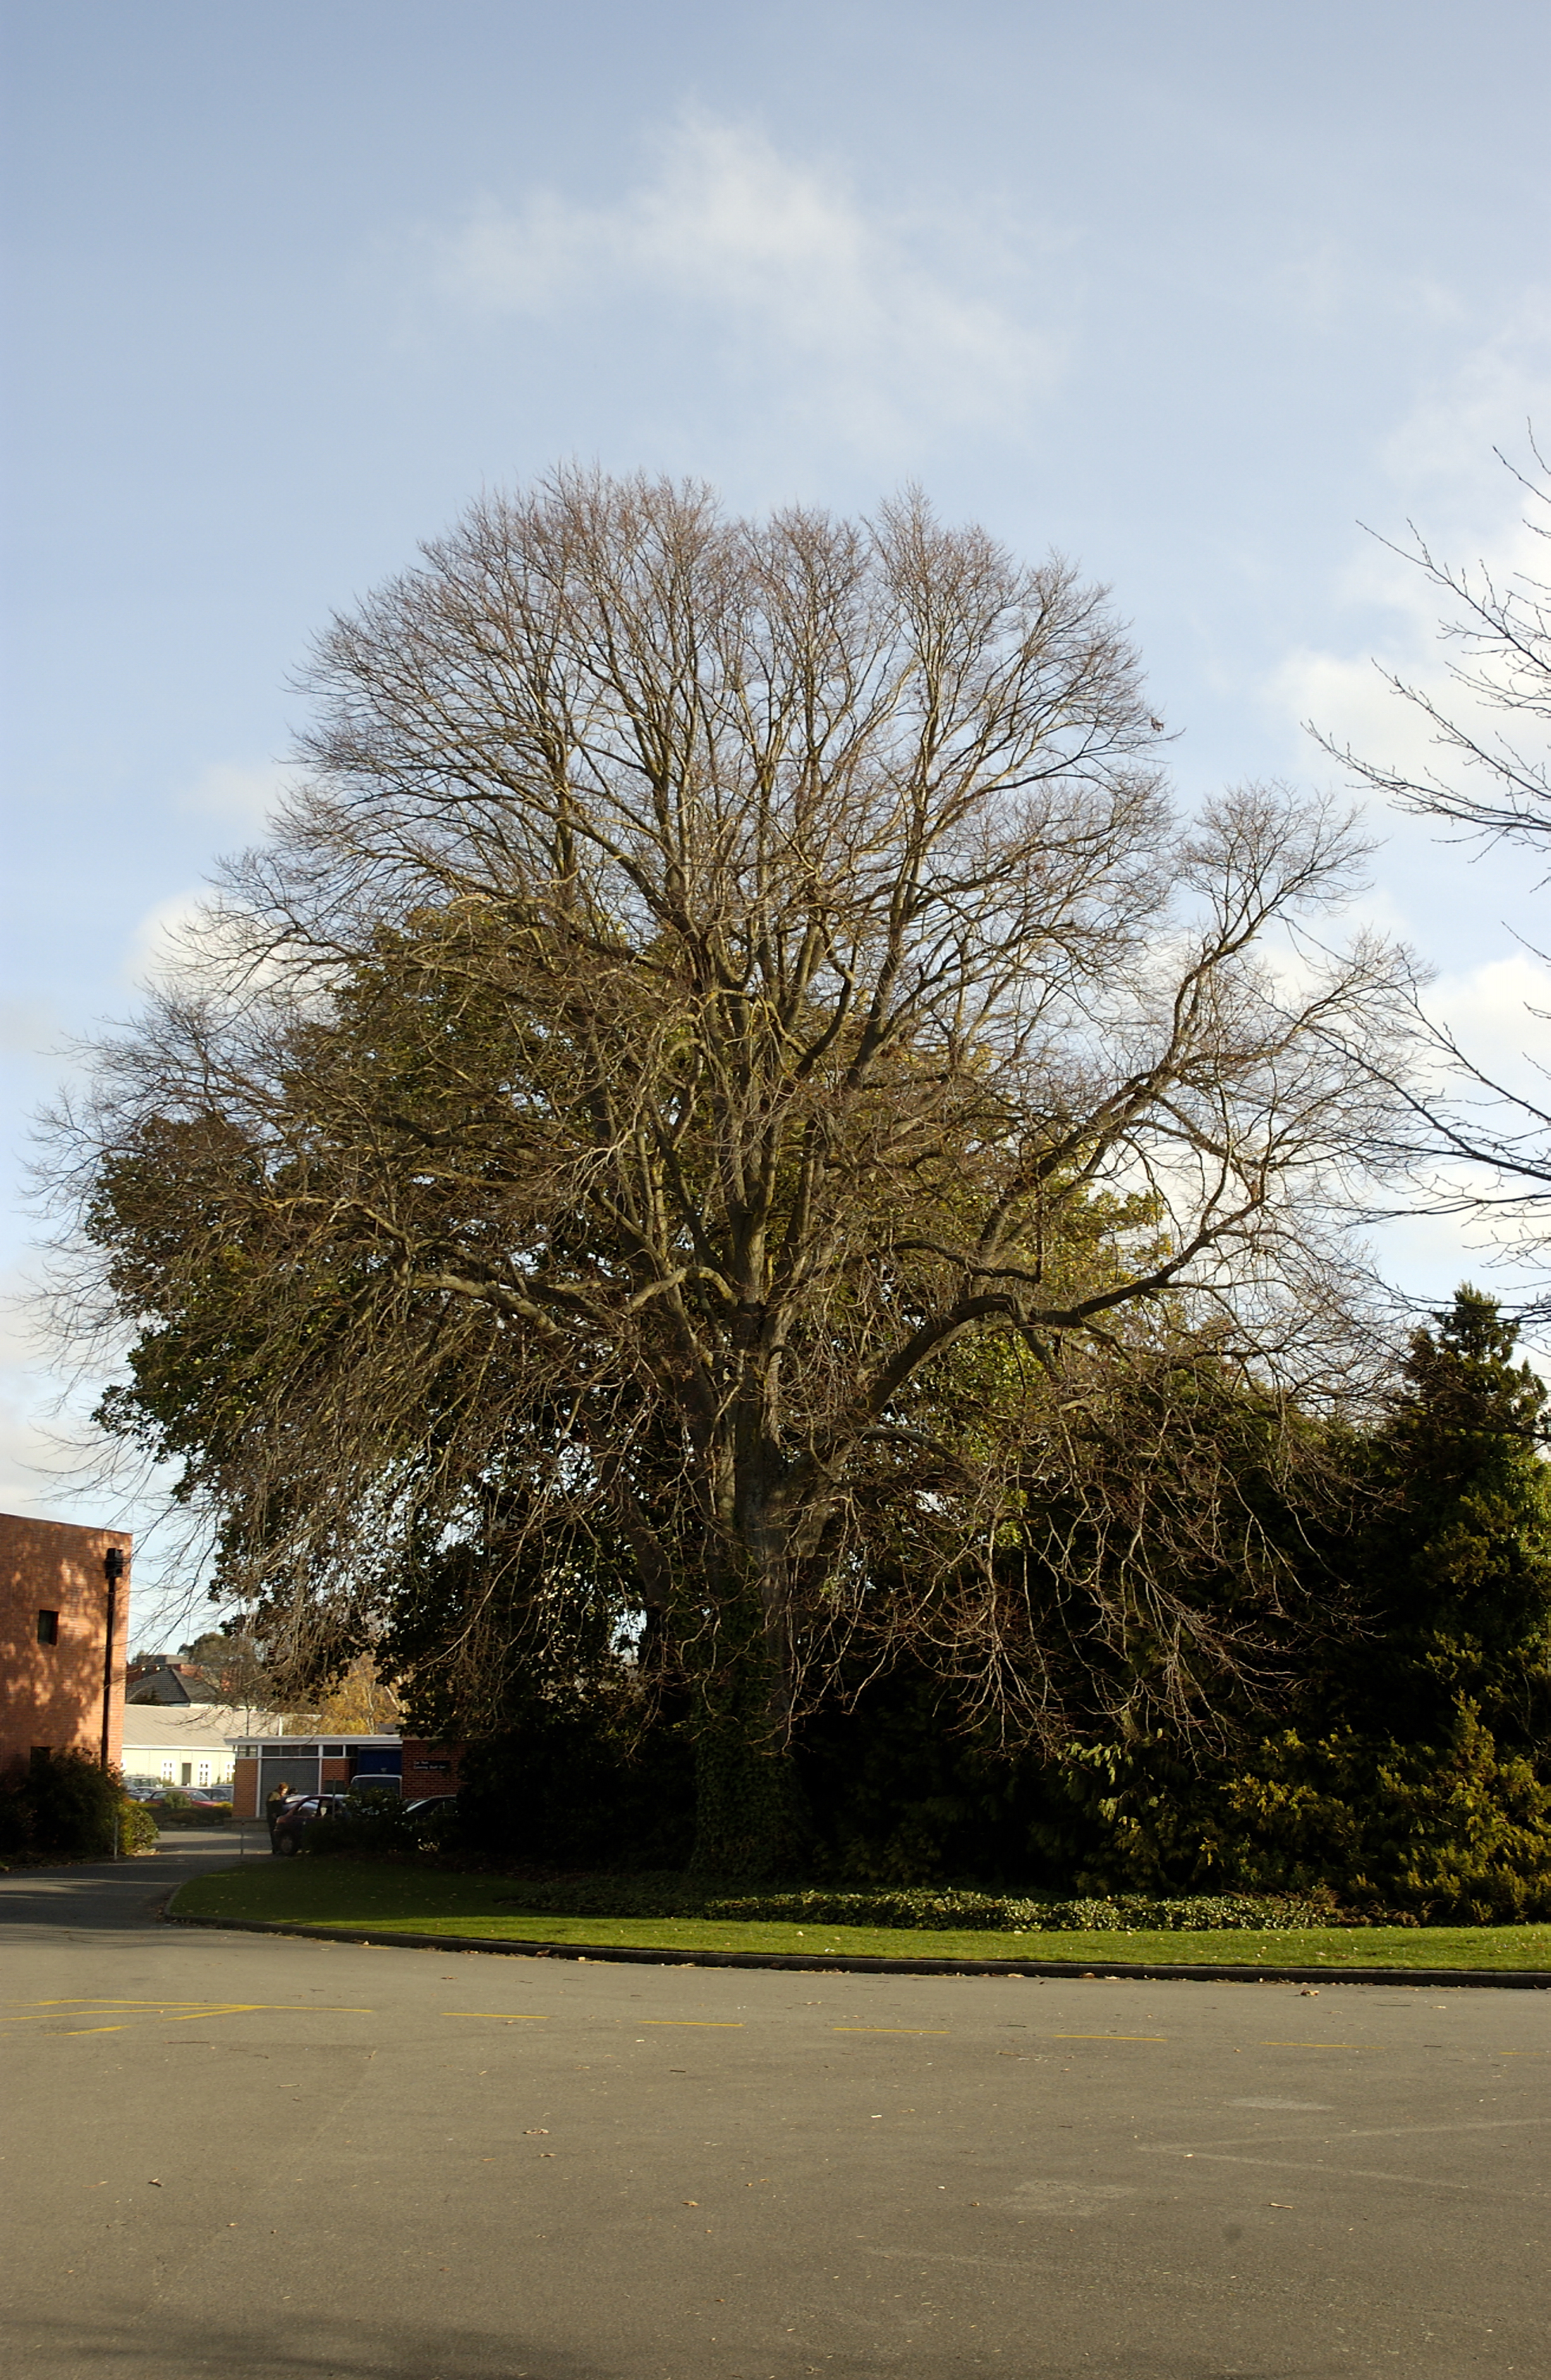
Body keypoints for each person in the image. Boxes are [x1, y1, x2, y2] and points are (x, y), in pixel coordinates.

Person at [264, 1779, 293, 1851]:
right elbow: (270, 1805)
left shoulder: (279, 1796)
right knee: (274, 1833)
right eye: (284, 1791)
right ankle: (275, 1848)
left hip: (277, 1817)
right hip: (273, 1817)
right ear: (280, 1789)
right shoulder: (274, 1795)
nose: (284, 1793)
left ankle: (277, 1847)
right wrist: (273, 1813)